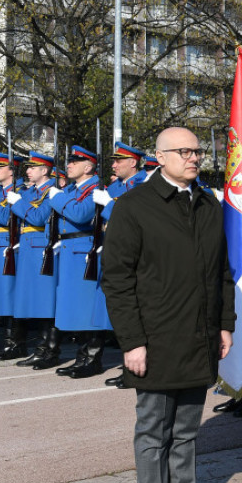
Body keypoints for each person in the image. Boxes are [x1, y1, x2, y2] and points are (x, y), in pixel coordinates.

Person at [101, 127, 235, 483]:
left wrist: (224, 323)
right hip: (156, 339)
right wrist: (132, 341)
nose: (194, 158)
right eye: (184, 151)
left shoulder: (208, 204)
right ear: (160, 157)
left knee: (186, 432)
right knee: (154, 432)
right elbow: (117, 281)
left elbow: (222, 272)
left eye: (198, 151)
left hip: (199, 336)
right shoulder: (134, 206)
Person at [49, 146, 111, 379]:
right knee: (77, 307)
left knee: (88, 307)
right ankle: (82, 357)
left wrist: (58, 198)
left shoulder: (94, 188)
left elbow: (80, 215)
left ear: (88, 167)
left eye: (75, 162)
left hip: (85, 251)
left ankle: (92, 360)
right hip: (70, 249)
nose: (69, 165)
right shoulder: (75, 188)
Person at [96, 142, 147, 387]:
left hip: (137, 256)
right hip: (119, 253)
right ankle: (129, 365)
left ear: (133, 162)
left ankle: (136, 368)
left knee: (137, 310)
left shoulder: (143, 184)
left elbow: (126, 212)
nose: (113, 165)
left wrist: (107, 204)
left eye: (118, 161)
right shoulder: (119, 186)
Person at [10, 152, 60, 369]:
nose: (28, 171)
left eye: (32, 167)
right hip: (29, 246)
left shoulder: (52, 191)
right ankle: (42, 348)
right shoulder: (31, 191)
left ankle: (49, 350)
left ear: (44, 170)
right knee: (35, 301)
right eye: (27, 167)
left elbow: (39, 217)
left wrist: (17, 204)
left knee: (45, 301)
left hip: (41, 248)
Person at [0, 153, 22, 361]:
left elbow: (5, 218)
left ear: (11, 170)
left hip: (6, 243)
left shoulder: (19, 191)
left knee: (9, 295)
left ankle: (13, 343)